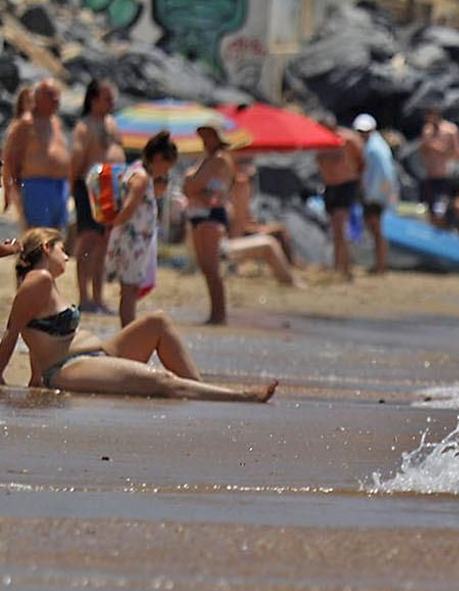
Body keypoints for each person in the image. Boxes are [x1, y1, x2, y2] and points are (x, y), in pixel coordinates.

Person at [0, 228, 275, 400]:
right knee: (161, 380)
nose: (67, 256)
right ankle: (241, 396)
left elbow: (34, 335)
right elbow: (13, 333)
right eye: (62, 249)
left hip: (100, 353)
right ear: (47, 248)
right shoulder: (38, 280)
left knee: (157, 321)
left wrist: (34, 380)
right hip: (68, 367)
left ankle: (199, 391)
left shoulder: (45, 283)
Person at [105, 132, 179, 326]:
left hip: (133, 238)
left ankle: (127, 330)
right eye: (166, 167)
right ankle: (128, 332)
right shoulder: (142, 177)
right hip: (132, 240)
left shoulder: (136, 170)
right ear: (158, 158)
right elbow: (129, 208)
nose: (165, 172)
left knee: (130, 289)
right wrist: (115, 225)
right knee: (130, 290)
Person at [69, 78, 120, 314]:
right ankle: (85, 297)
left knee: (103, 243)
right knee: (88, 240)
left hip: (110, 186)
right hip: (90, 185)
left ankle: (98, 297)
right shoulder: (85, 126)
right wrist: (73, 187)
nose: (112, 102)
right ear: (94, 99)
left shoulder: (112, 124)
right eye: (107, 98)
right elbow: (77, 158)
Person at [183, 122, 237, 324]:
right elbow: (191, 186)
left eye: (209, 136)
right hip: (200, 213)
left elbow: (192, 185)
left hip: (210, 215)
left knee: (212, 268)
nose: (205, 141)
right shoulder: (207, 159)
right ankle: (216, 313)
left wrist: (193, 186)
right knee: (206, 267)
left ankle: (219, 314)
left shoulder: (218, 159)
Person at [4, 79, 72, 233]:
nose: (56, 99)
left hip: (60, 185)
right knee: (38, 235)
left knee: (56, 235)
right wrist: (13, 192)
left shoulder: (56, 122)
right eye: (50, 95)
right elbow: (10, 160)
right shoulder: (25, 124)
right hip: (36, 186)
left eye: (57, 94)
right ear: (37, 97)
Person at [316, 116, 364, 280]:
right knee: (335, 228)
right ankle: (339, 265)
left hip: (346, 184)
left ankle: (346, 268)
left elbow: (361, 161)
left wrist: (358, 183)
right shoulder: (320, 141)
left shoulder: (347, 139)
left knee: (339, 225)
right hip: (330, 186)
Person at [354, 114, 396, 276]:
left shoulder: (375, 149)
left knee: (376, 229)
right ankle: (379, 264)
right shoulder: (373, 145)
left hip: (375, 195)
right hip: (374, 193)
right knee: (375, 229)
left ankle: (381, 265)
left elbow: (384, 175)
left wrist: (375, 195)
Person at [417, 106, 459, 225]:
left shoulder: (450, 130)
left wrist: (440, 150)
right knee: (428, 210)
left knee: (441, 211)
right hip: (430, 175)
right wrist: (425, 147)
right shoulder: (427, 130)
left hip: (445, 176)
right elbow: (423, 152)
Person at [2, 84, 34, 217]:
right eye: (28, 101)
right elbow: (8, 158)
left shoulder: (43, 126)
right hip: (20, 179)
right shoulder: (17, 127)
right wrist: (7, 192)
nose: (32, 104)